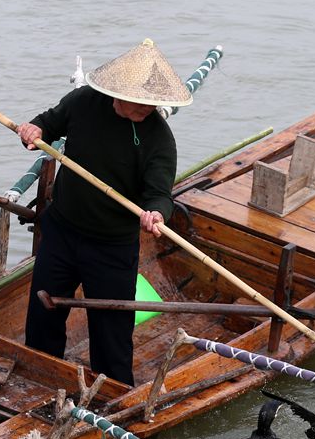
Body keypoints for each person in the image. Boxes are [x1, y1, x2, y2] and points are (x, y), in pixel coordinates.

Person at [17, 39, 192, 385]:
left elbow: (159, 195)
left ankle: (113, 400)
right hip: (62, 231)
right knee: (44, 311)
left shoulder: (159, 139)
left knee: (111, 329)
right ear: (118, 92)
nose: (148, 109)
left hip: (112, 246)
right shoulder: (84, 102)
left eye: (153, 103)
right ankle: (38, 378)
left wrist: (155, 214)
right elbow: (49, 122)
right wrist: (34, 129)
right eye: (141, 102)